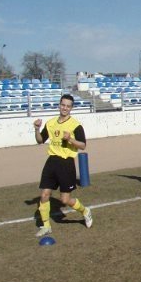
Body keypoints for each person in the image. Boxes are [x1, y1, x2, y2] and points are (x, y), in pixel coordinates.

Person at [33, 94, 93, 237]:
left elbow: (83, 145)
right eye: (63, 105)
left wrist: (70, 139)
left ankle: (85, 211)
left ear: (71, 108)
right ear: (59, 105)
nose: (65, 108)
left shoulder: (75, 125)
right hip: (52, 161)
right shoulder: (51, 123)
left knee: (64, 200)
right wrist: (36, 129)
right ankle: (46, 226)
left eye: (68, 106)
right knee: (44, 194)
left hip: (66, 164)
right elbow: (40, 140)